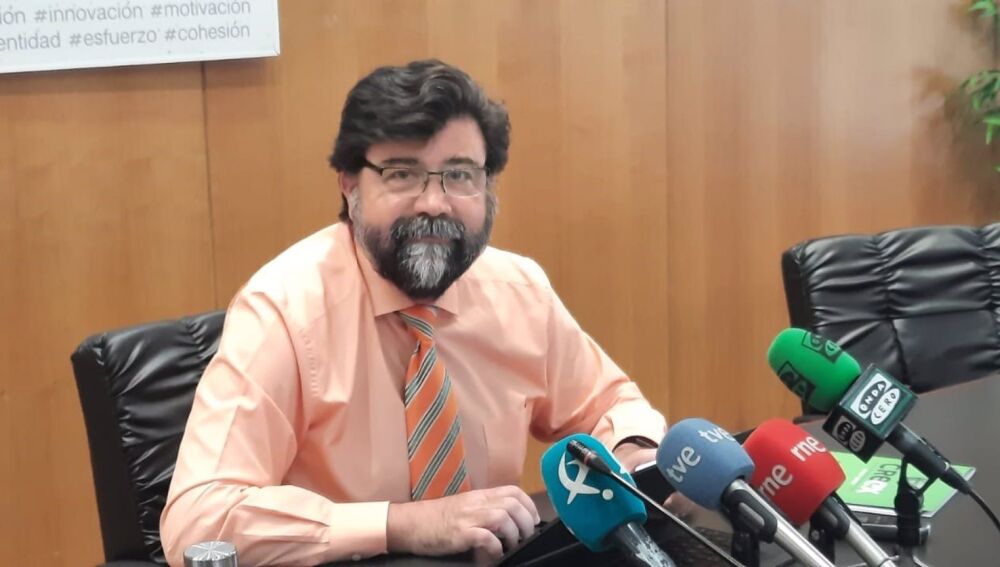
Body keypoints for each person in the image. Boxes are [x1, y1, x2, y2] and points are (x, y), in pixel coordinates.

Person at [160, 59, 670, 567]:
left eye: (460, 175)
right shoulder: (284, 312)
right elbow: (198, 521)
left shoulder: (519, 293)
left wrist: (633, 456)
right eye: (402, 174)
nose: (434, 203)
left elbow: (613, 407)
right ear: (349, 185)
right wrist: (400, 524)